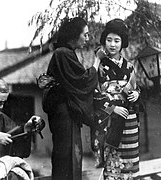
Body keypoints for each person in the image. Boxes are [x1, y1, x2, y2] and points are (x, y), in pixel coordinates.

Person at [44, 17, 100, 180]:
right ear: (75, 35)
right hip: (64, 113)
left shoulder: (66, 53)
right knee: (67, 158)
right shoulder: (62, 53)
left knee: (70, 157)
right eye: (86, 34)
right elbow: (82, 81)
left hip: (67, 113)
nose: (87, 38)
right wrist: (97, 62)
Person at [92, 19, 140, 180]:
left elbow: (136, 88)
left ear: (123, 43)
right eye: (109, 40)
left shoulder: (129, 66)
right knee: (113, 165)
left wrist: (136, 94)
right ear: (104, 41)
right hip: (110, 119)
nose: (112, 44)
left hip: (129, 118)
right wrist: (112, 108)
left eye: (117, 40)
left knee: (130, 162)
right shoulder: (99, 66)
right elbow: (95, 93)